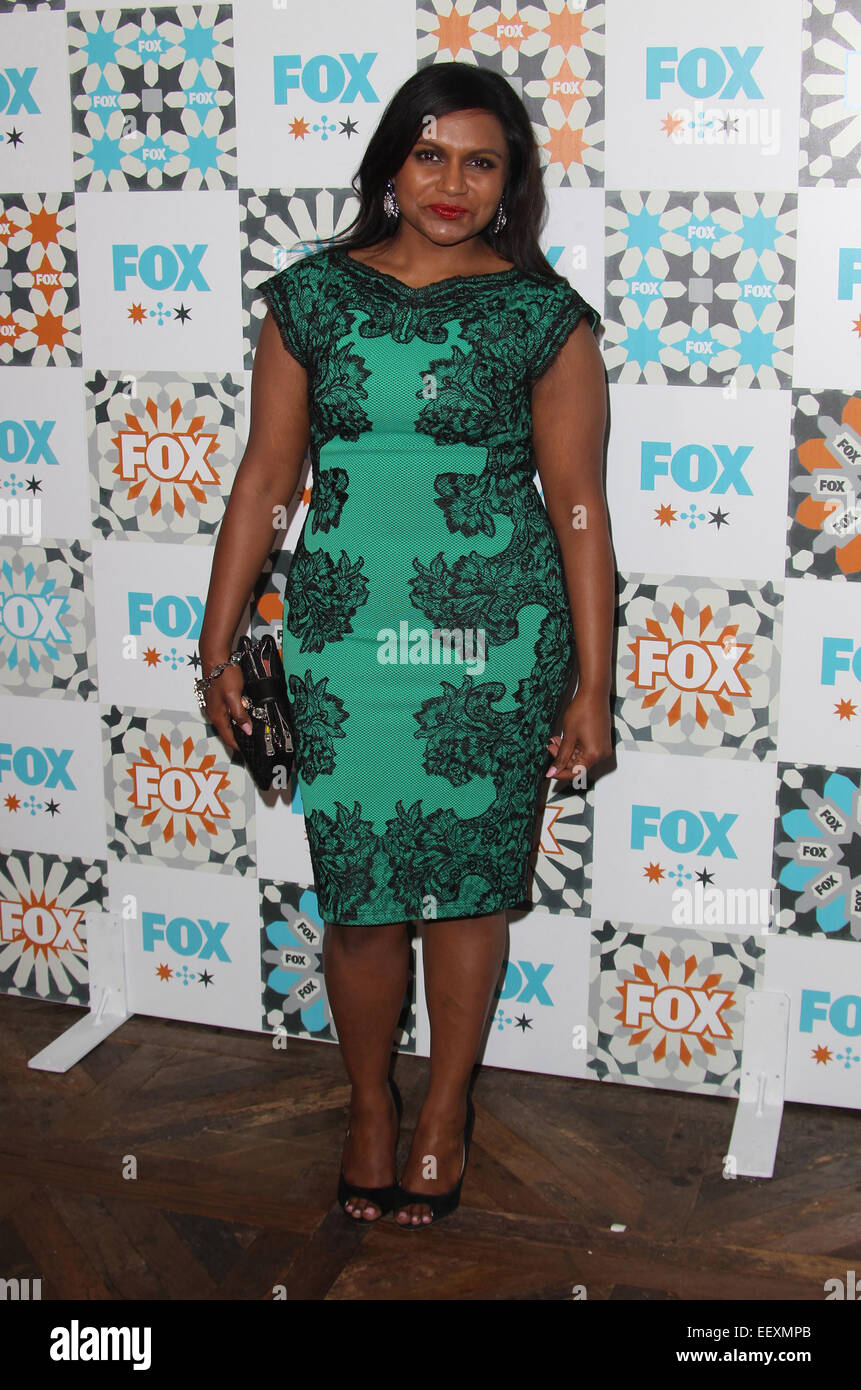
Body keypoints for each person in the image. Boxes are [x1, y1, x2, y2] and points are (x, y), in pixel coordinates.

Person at [198, 61, 614, 1230]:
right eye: (432, 154)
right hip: (342, 638)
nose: (452, 183)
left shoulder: (543, 317)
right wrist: (217, 644)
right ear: (393, 162)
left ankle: (443, 1113)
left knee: (469, 897)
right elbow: (266, 480)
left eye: (482, 163)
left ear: (510, 183)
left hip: (494, 640)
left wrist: (595, 682)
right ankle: (369, 1106)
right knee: (363, 900)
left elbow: (580, 508)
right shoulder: (312, 299)